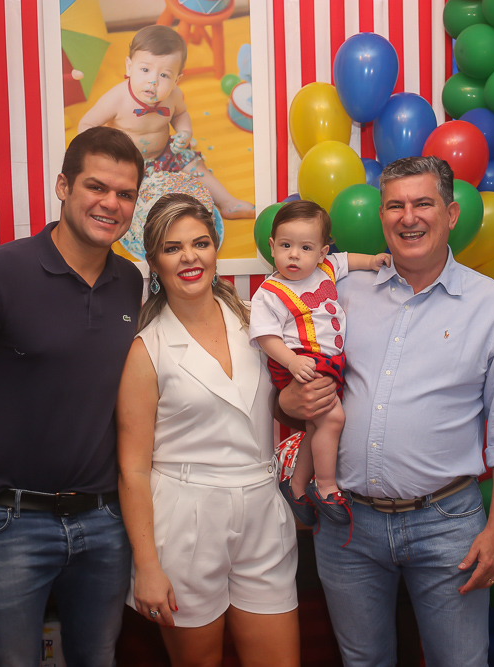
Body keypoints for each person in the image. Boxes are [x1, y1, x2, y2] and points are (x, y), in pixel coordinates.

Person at [279, 156, 494, 666]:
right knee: (363, 661)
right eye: (395, 205)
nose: (408, 217)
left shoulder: (492, 304)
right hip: (347, 523)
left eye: (423, 203)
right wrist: (287, 400)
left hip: (448, 524)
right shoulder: (339, 292)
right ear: (381, 216)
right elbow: (292, 388)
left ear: (451, 214)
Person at [0, 126, 145, 666]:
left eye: (125, 193)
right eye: (96, 187)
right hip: (7, 524)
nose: (111, 203)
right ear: (63, 186)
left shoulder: (132, 283)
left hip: (106, 521)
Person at [116, 193, 299, 666]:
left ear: (216, 248)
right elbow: (133, 469)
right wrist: (147, 565)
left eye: (200, 243)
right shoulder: (146, 348)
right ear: (154, 262)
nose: (189, 257)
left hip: (263, 511)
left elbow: (280, 406)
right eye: (172, 248)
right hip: (185, 521)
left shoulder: (258, 322)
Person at [249, 200, 390, 526]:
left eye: (305, 248)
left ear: (323, 252)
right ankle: (325, 487)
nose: (294, 255)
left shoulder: (327, 269)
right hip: (298, 361)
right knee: (333, 417)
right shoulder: (270, 292)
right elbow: (266, 336)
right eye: (285, 246)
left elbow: (348, 260)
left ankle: (296, 486)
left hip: (328, 362)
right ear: (272, 246)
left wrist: (372, 261)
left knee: (317, 425)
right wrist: (292, 361)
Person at [78, 24, 255, 219]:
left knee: (195, 166)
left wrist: (185, 132)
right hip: (126, 162)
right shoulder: (116, 99)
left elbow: (181, 114)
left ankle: (227, 202)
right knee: (122, 190)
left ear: (176, 80)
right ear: (129, 67)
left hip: (166, 154)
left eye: (164, 75)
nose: (153, 81)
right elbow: (86, 125)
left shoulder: (173, 95)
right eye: (145, 69)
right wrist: (105, 151)